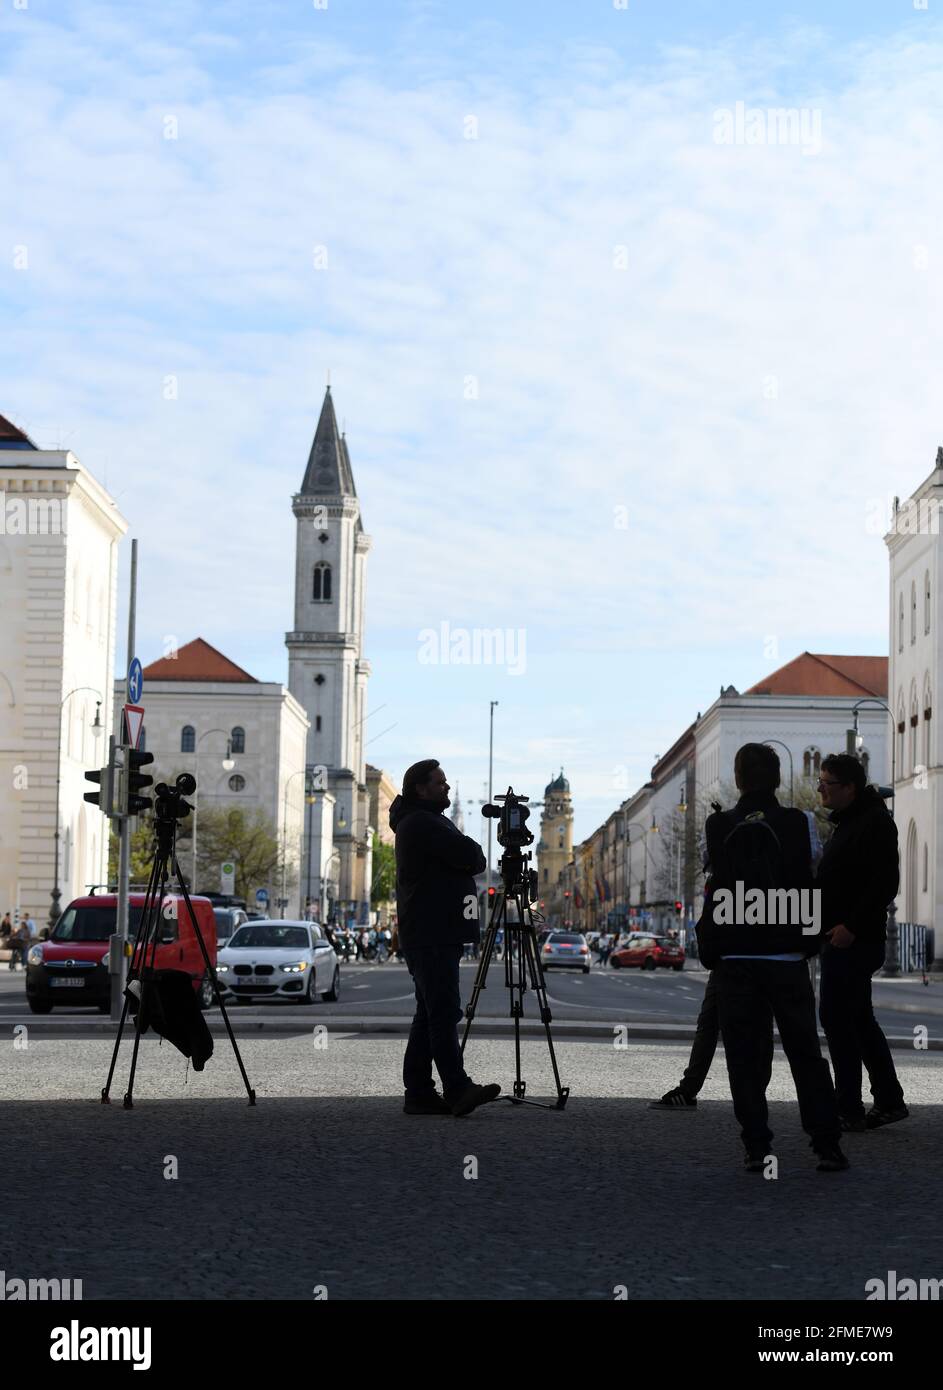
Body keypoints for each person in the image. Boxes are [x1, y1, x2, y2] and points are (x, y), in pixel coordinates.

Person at [697, 742, 847, 1173]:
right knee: (805, 1053)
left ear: (740, 779)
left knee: (746, 1055)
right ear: (778, 779)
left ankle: (757, 1145)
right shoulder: (799, 822)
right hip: (786, 952)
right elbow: (813, 870)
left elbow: (712, 874)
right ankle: (826, 1143)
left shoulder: (718, 823)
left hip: (735, 954)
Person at [391, 759, 500, 1117]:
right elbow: (473, 857)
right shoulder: (423, 823)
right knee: (442, 1013)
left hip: (430, 930)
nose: (447, 788)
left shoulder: (423, 821)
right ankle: (457, 1087)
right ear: (420, 788)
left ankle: (419, 1092)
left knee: (428, 1013)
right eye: (440, 782)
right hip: (432, 931)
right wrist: (469, 850)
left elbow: (468, 859)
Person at [816, 754, 907, 1131]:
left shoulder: (873, 823)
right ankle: (884, 1098)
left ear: (849, 787)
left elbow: (884, 883)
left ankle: (850, 1106)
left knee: (840, 1019)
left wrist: (851, 926)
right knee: (855, 1020)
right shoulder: (851, 821)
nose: (820, 788)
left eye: (827, 783)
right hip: (841, 935)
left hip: (854, 938)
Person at [650, 970, 719, 1109]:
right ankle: (754, 1094)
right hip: (768, 963)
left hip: (729, 965)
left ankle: (688, 1090)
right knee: (759, 1029)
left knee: (708, 1028)